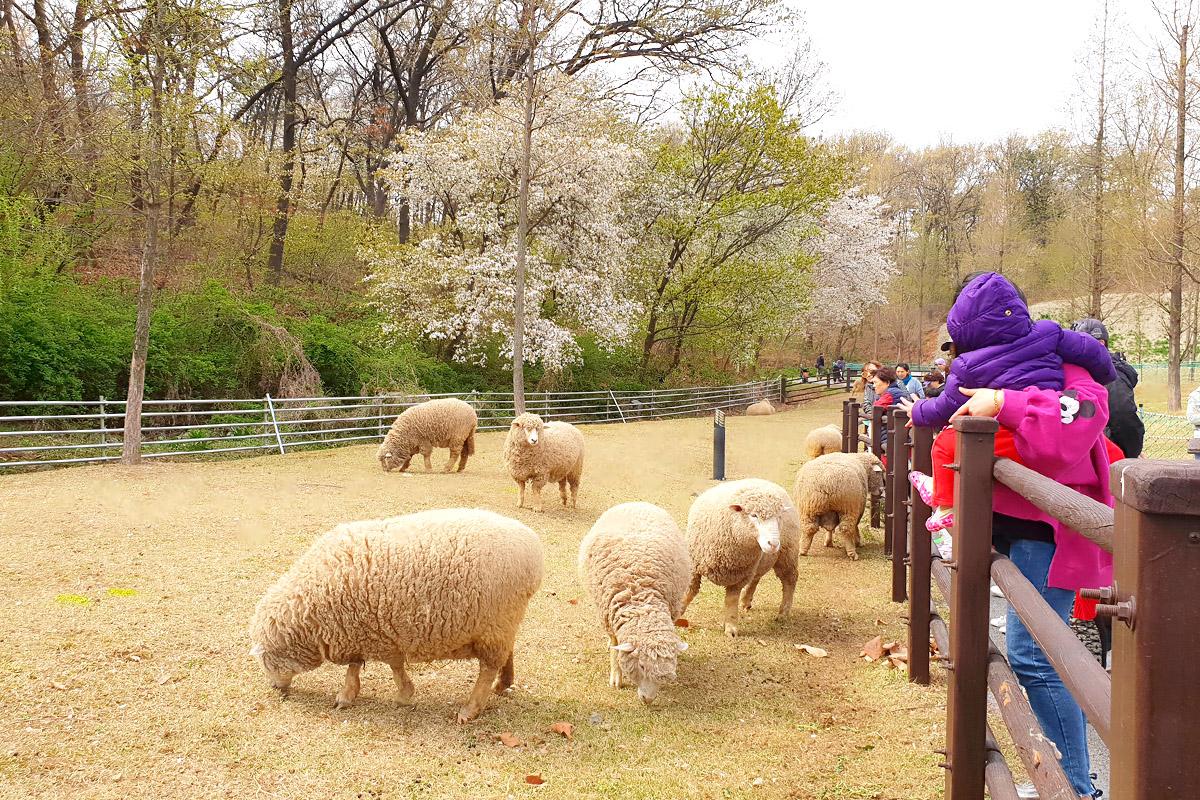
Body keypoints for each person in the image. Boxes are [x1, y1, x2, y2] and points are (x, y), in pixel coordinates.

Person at [932, 365, 1114, 800]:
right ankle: (1072, 778)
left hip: (1048, 530)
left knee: (1034, 654)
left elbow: (1079, 418)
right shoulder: (1010, 367)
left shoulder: (1070, 372)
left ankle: (1075, 785)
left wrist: (1002, 403)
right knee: (1033, 653)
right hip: (1020, 528)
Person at [900, 272, 1116, 532]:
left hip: (1043, 521)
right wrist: (1106, 370)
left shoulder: (972, 365)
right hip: (1000, 513)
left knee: (946, 443)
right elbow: (1090, 349)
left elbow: (946, 405)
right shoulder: (1050, 337)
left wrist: (1001, 401)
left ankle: (944, 502)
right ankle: (945, 503)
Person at [1071, 318, 1144, 458]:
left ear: (1100, 343)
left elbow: (1123, 416)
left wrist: (1127, 453)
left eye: (1082, 343)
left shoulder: (1110, 375)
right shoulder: (1079, 372)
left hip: (1107, 455)